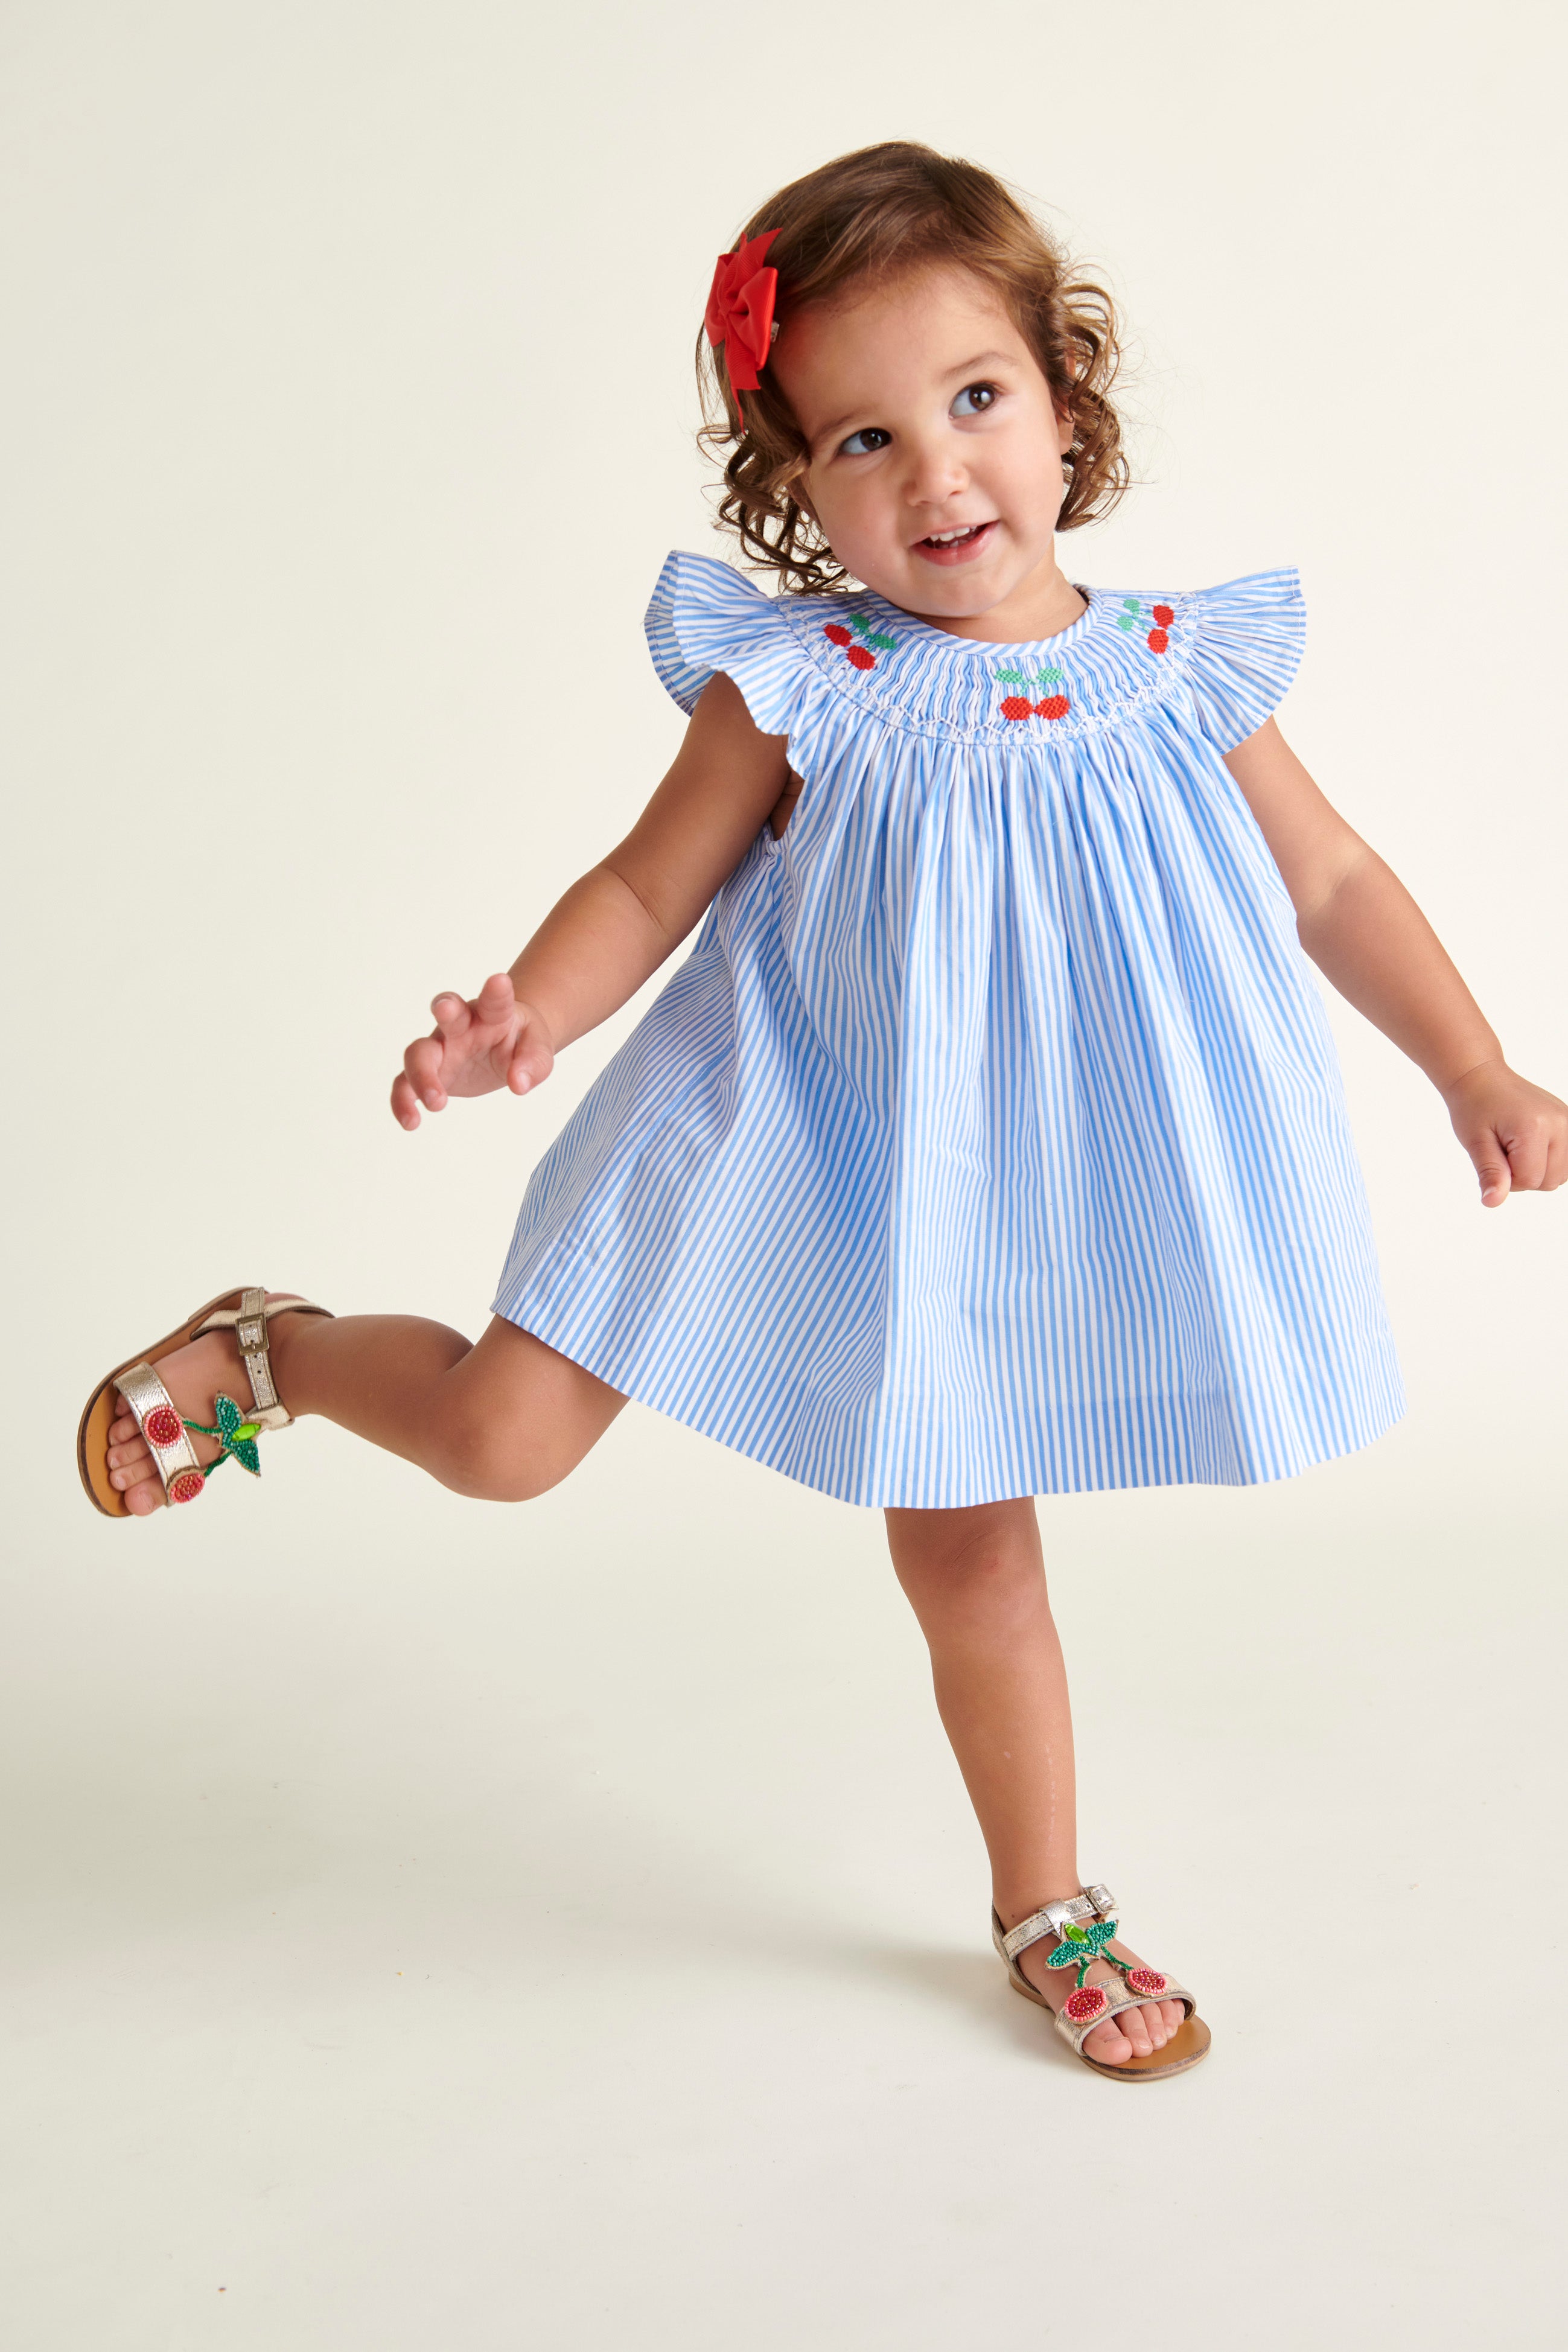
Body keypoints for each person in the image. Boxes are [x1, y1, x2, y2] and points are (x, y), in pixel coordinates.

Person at [77, 141, 1567, 2080]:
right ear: (795, 488)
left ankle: (1049, 1904)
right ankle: (272, 1350)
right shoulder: (803, 682)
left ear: (1063, 395)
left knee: (978, 1559)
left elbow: (1340, 884)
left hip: (978, 1204)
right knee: (504, 1441)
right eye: (860, 441)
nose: (936, 474)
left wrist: (1472, 1061)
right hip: (767, 1139)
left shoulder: (1185, 671)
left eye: (975, 401)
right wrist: (520, 1012)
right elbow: (641, 890)